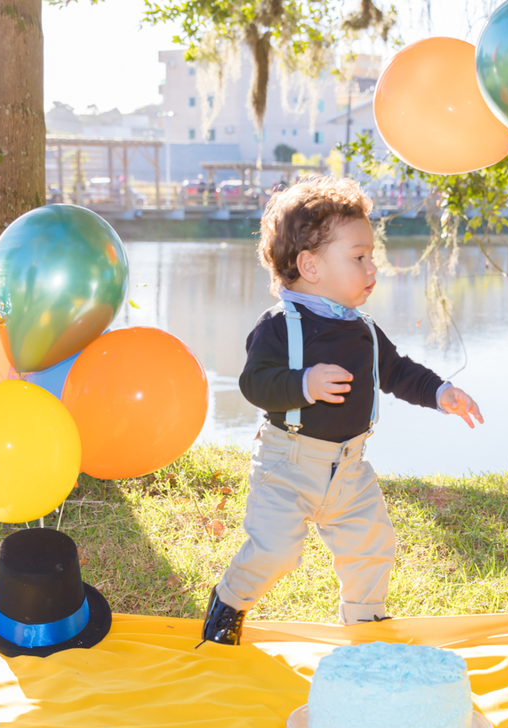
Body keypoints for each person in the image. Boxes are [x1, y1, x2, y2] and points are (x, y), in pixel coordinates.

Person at [201, 176, 483, 645]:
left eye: (372, 255)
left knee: (371, 545)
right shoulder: (279, 326)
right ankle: (229, 602)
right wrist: (302, 383)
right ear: (310, 265)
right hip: (287, 463)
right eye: (359, 257)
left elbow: (395, 371)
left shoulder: (363, 330)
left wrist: (439, 392)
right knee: (275, 552)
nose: (373, 267)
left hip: (349, 467)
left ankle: (365, 623)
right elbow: (255, 383)